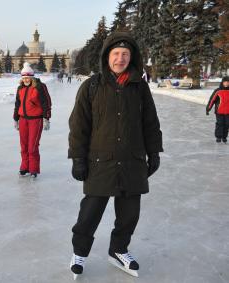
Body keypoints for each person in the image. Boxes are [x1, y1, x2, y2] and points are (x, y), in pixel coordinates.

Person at [68, 32, 163, 279]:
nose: (120, 59)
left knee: (130, 213)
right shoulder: (91, 86)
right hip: (100, 160)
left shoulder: (139, 87)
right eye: (116, 54)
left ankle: (118, 250)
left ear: (132, 58)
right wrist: (78, 158)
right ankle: (80, 252)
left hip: (132, 160)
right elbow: (79, 125)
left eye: (125, 54)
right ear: (107, 57)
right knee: (90, 213)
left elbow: (150, 122)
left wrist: (154, 152)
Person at [13, 62, 51, 178]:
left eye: (28, 77)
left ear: (32, 77)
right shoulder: (20, 88)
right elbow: (17, 104)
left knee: (32, 146)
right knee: (23, 145)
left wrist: (46, 118)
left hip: (36, 120)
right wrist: (16, 119)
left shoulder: (39, 87)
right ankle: (25, 167)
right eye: (24, 78)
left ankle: (33, 169)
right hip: (23, 120)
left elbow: (46, 103)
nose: (26, 80)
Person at [206, 76, 229, 143]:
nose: (226, 83)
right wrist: (208, 108)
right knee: (220, 123)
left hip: (228, 112)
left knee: (227, 124)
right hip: (219, 111)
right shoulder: (218, 91)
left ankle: (224, 137)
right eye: (225, 82)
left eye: (228, 82)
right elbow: (212, 100)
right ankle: (218, 136)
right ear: (222, 82)